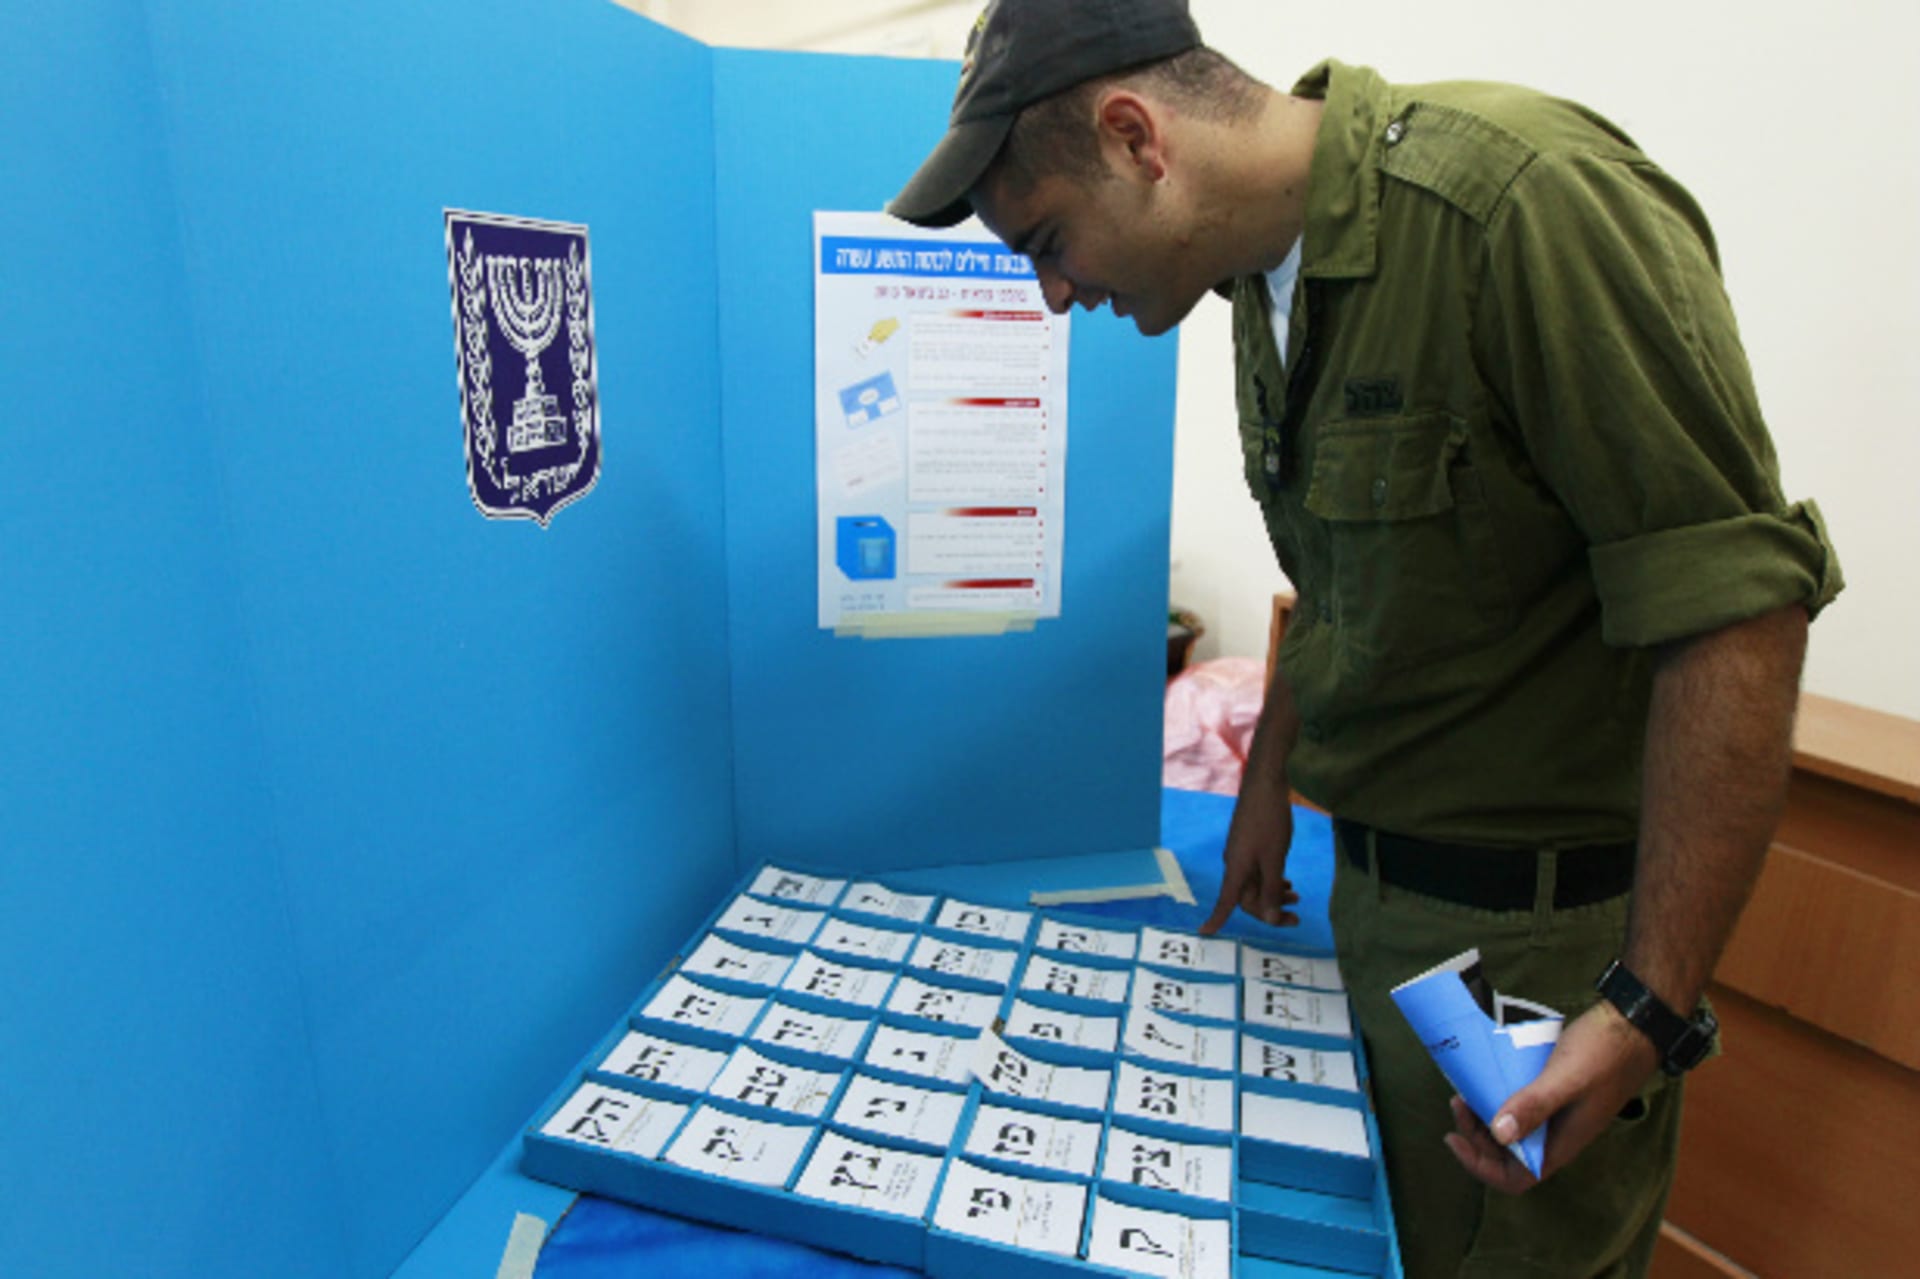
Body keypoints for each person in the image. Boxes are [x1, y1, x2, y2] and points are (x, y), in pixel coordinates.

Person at [889, 2, 1843, 1276]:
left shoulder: (1522, 206)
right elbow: (1332, 577)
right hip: (1383, 906)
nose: (1056, 294)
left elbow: (1736, 606)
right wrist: (1268, 781)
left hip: (1544, 948)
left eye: (1049, 242)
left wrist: (1645, 1009)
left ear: (1136, 138)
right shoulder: (1257, 284)